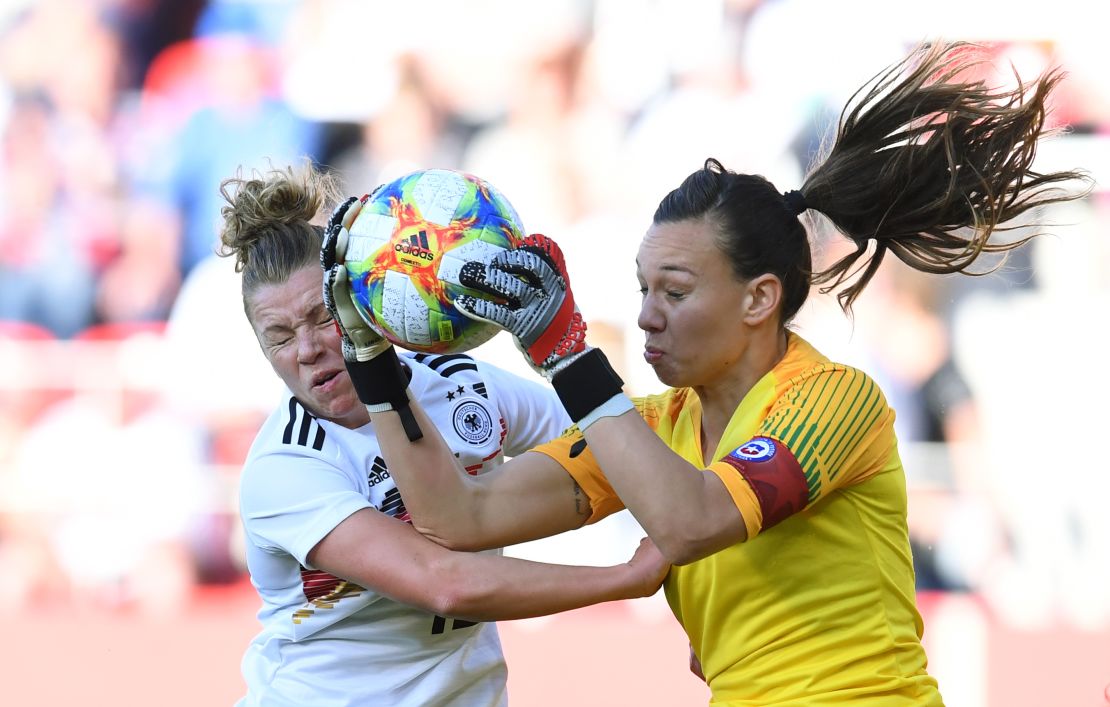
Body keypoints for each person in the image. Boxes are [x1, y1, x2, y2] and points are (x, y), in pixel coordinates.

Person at [324, 42, 1090, 705]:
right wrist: (371, 362)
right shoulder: (655, 429)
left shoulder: (834, 399)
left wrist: (566, 355)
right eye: (643, 289)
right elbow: (459, 518)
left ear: (759, 299)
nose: (649, 315)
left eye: (677, 292)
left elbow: (690, 521)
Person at [217, 163, 668, 707]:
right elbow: (445, 583)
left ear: (359, 301)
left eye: (321, 316)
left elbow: (619, 447)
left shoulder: (459, 383)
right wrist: (625, 578)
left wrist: (564, 354)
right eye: (280, 336)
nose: (307, 348)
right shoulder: (284, 467)